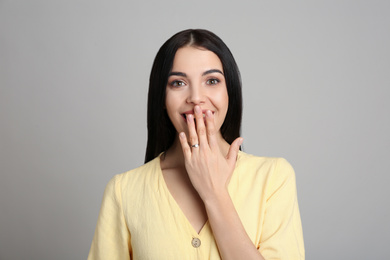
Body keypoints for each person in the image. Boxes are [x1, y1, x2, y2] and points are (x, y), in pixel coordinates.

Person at [88, 29, 304, 260]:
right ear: (161, 97)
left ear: (229, 92)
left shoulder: (273, 178)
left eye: (212, 80)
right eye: (178, 83)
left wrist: (214, 193)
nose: (196, 98)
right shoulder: (123, 190)